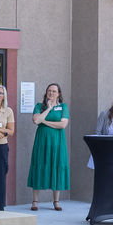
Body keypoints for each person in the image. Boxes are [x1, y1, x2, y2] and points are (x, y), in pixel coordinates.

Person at [28, 83, 70, 211]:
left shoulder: (63, 107)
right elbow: (36, 120)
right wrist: (48, 108)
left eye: (54, 91)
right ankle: (35, 201)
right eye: (49, 91)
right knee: (39, 165)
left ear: (58, 94)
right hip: (42, 141)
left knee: (57, 166)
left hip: (57, 142)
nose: (51, 93)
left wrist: (44, 121)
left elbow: (63, 125)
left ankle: (56, 201)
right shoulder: (39, 106)